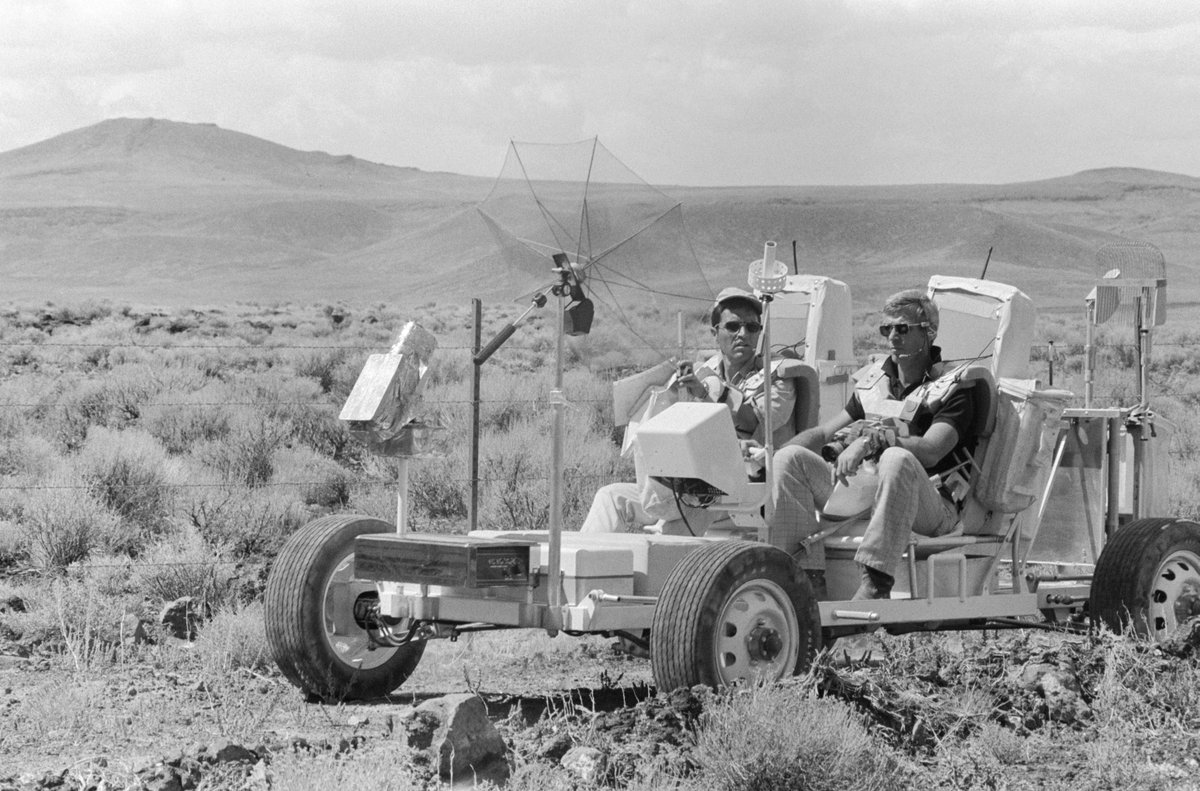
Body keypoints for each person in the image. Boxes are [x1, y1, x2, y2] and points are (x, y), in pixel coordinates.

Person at [767, 288, 979, 600]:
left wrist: (869, 442)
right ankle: (802, 579)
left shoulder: (953, 387)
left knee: (896, 458)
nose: (892, 336)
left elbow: (933, 450)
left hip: (933, 504)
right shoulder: (875, 384)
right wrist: (771, 454)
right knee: (789, 459)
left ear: (929, 332)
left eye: (903, 328)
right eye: (886, 328)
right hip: (870, 491)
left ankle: (875, 582)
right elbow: (823, 434)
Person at [581, 287, 797, 535]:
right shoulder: (703, 372)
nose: (743, 334)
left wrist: (706, 393)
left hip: (745, 490)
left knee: (695, 505)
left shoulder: (777, 377)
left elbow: (757, 421)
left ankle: (664, 554)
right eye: (733, 326)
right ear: (715, 333)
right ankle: (584, 558)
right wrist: (673, 394)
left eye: (752, 327)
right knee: (611, 497)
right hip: (692, 483)